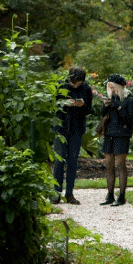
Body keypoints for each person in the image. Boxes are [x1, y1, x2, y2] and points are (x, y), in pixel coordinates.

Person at [52, 67, 94, 204]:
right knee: (59, 161)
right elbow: (54, 106)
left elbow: (89, 110)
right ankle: (56, 193)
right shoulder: (61, 85)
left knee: (73, 162)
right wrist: (65, 104)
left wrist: (82, 105)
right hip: (61, 128)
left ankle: (69, 193)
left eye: (78, 83)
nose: (75, 86)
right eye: (73, 83)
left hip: (77, 129)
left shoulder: (86, 89)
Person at [100, 74, 133, 207]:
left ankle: (121, 196)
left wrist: (117, 107)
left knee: (119, 165)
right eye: (109, 88)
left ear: (119, 87)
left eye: (113, 88)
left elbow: (129, 120)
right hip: (109, 134)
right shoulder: (111, 98)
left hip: (122, 135)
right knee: (108, 164)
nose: (112, 91)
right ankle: (109, 194)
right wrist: (106, 105)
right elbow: (103, 114)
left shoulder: (130, 100)